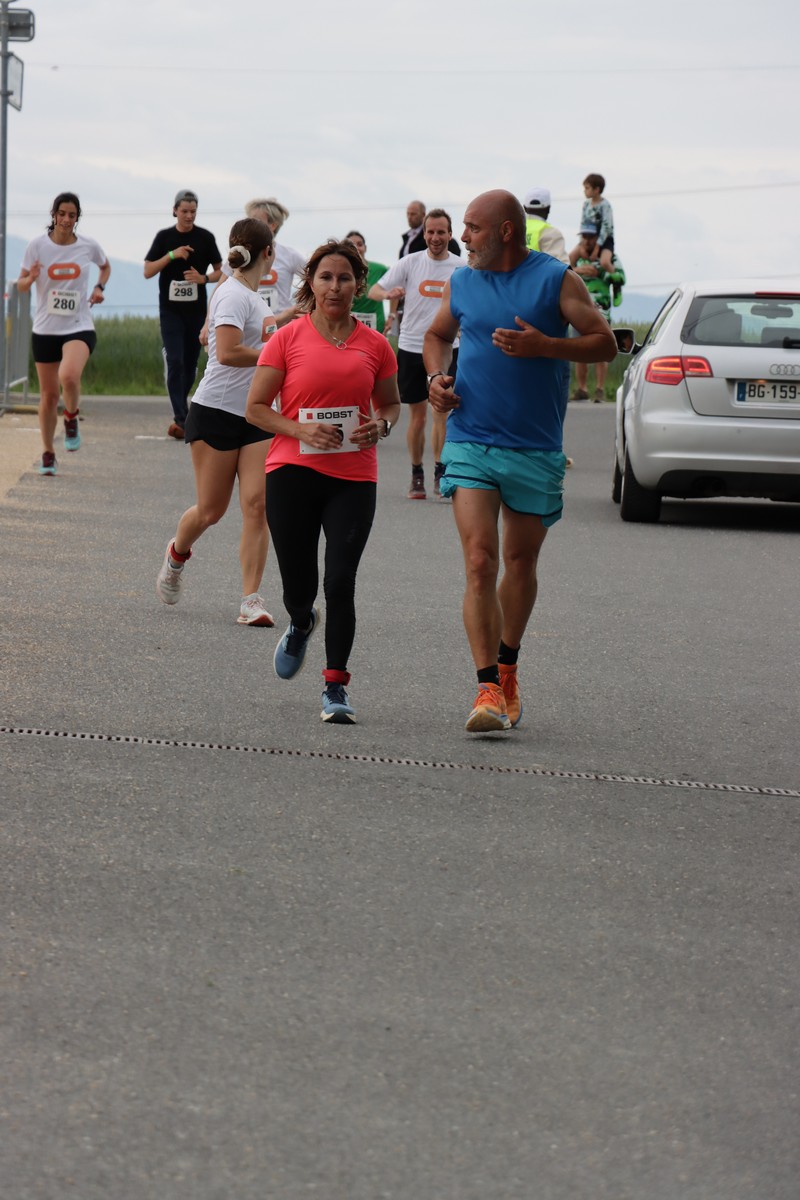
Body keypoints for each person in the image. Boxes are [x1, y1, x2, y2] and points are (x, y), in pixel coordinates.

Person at [423, 189, 616, 732]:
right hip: (470, 438)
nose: (463, 238)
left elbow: (604, 343)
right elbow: (437, 335)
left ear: (506, 231)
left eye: (473, 228)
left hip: (534, 446)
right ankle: (486, 687)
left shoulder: (557, 280)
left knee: (520, 561)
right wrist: (436, 377)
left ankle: (508, 668)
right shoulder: (463, 281)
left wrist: (546, 346)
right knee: (480, 560)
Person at [245, 239, 400, 725]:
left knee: (340, 580)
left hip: (353, 477)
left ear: (358, 285)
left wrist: (383, 425)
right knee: (300, 587)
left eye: (345, 278)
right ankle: (299, 620)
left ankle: (335, 686)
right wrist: (300, 430)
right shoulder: (287, 338)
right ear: (311, 283)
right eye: (326, 277)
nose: (335, 287)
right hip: (291, 472)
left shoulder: (376, 345)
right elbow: (256, 409)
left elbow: (390, 403)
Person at [156, 219, 279, 625]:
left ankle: (251, 600)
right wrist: (277, 354)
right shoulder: (232, 294)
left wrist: (292, 320)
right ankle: (176, 555)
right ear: (269, 253)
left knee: (258, 505)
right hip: (216, 413)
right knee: (211, 510)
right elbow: (226, 353)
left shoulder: (254, 297)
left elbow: (258, 339)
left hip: (256, 413)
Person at [368, 209, 463, 499]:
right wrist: (388, 295)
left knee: (441, 413)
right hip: (412, 347)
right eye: (430, 232)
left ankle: (440, 472)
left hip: (448, 348)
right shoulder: (410, 262)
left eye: (441, 232)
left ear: (450, 234)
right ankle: (416, 473)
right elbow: (374, 290)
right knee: (418, 416)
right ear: (424, 234)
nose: (435, 237)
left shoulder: (461, 267)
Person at [16, 192, 110, 476]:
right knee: (48, 396)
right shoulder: (37, 246)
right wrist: (31, 278)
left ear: (77, 217)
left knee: (68, 376)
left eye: (72, 215)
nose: (66, 220)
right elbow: (21, 286)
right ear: (54, 215)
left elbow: (105, 266)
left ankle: (70, 417)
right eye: (62, 214)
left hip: (79, 326)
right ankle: (48, 453)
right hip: (45, 329)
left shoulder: (88, 245)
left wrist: (99, 288)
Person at [144, 189, 223, 440]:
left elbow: (222, 272)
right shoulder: (165, 237)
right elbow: (147, 271)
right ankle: (181, 417)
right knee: (175, 361)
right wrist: (172, 255)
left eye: (193, 211)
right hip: (170, 311)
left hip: (196, 312)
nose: (189, 216)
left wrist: (203, 278)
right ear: (175, 211)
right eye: (185, 211)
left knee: (190, 365)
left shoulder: (205, 238)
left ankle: (182, 412)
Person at [571, 224, 627, 402]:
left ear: (598, 239)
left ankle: (600, 390)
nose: (587, 240)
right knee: (578, 350)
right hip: (579, 311)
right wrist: (579, 270)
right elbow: (564, 271)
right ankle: (582, 389)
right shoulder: (577, 257)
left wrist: (600, 273)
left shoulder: (608, 257)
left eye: (591, 237)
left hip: (601, 311)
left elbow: (621, 278)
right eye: (584, 237)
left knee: (601, 349)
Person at [344, 230, 394, 337]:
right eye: (352, 246)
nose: (356, 248)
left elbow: (395, 288)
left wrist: (391, 316)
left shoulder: (380, 269)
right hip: (348, 326)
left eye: (360, 244)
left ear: (365, 248)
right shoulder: (340, 271)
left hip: (376, 326)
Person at [569, 173, 615, 274]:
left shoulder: (605, 205)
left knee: (605, 262)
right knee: (570, 258)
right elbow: (583, 224)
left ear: (597, 189)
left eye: (587, 188)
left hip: (604, 241)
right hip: (587, 239)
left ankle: (615, 278)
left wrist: (596, 249)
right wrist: (582, 246)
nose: (584, 191)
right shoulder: (586, 204)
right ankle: (574, 277)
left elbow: (606, 228)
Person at [522, 187, 569, 263]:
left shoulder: (513, 230)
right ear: (548, 209)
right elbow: (561, 266)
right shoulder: (551, 233)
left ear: (524, 208)